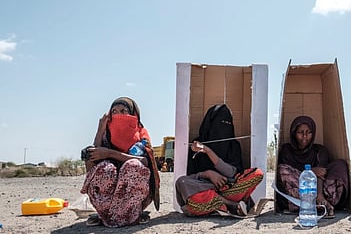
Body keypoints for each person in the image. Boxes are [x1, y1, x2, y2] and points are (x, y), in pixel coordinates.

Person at [80, 97, 160, 227]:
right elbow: (93, 159)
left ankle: (131, 214)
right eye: (115, 112)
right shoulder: (106, 134)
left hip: (133, 196)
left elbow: (145, 161)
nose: (119, 115)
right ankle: (107, 215)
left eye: (124, 111)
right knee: (105, 168)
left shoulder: (141, 135)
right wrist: (100, 129)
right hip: (108, 199)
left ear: (133, 114)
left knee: (133, 166)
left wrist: (110, 153)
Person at [175, 104, 264, 217]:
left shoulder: (233, 145)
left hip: (229, 189)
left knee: (257, 174)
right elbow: (190, 177)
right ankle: (231, 205)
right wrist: (208, 174)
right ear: (210, 124)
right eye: (220, 123)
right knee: (182, 182)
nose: (224, 128)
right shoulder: (196, 144)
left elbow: (233, 173)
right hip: (204, 189)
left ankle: (221, 206)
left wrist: (208, 151)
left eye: (227, 124)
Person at [276, 115, 349, 217]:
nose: (305, 136)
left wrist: (319, 195)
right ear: (293, 134)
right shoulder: (286, 151)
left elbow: (321, 174)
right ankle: (317, 205)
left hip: (321, 190)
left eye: (309, 132)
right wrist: (310, 171)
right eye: (300, 132)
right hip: (299, 192)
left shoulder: (320, 150)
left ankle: (318, 203)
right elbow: (287, 178)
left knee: (340, 165)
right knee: (283, 170)